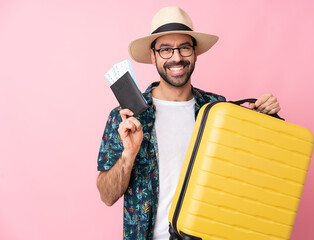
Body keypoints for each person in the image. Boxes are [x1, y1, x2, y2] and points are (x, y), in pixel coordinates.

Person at [96, 6, 281, 240]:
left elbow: (248, 174)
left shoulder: (218, 110)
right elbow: (107, 196)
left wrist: (264, 118)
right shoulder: (126, 116)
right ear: (152, 55)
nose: (176, 57)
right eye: (165, 50)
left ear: (194, 53)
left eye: (184, 47)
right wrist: (128, 155)